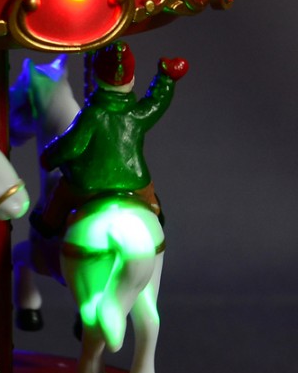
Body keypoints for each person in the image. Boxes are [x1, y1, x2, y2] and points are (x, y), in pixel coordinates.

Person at [33, 40, 188, 238]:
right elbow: (157, 103)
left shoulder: (92, 115)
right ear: (132, 79)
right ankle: (156, 218)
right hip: (134, 181)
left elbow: (73, 146)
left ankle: (47, 225)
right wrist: (166, 79)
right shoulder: (137, 114)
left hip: (88, 185)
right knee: (150, 198)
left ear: (97, 77)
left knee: (61, 195)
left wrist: (50, 157)